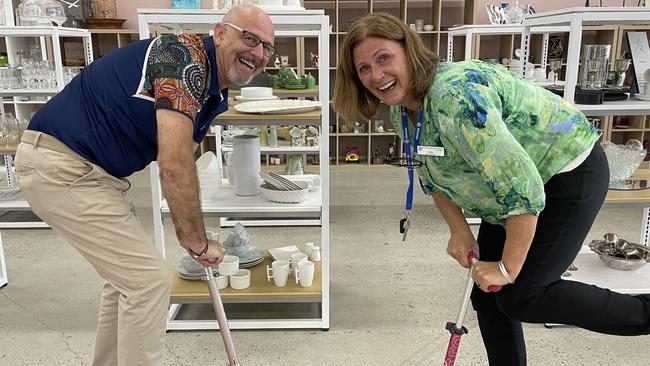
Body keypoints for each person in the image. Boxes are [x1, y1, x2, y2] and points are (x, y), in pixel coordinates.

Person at [333, 12, 650, 365]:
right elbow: (429, 170)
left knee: (524, 295)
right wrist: (459, 231)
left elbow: (523, 188)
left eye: (384, 58)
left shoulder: (456, 97)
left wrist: (507, 268)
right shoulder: (401, 111)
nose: (376, 76)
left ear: (410, 52)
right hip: (509, 195)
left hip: (566, 171)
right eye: (363, 68)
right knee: (487, 294)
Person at [13, 5, 275, 365]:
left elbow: (183, 159)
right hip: (63, 166)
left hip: (92, 174)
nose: (258, 53)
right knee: (148, 282)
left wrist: (194, 238)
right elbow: (174, 164)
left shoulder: (213, 90)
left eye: (267, 47)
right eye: (249, 38)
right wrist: (197, 241)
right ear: (220, 32)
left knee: (126, 283)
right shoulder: (182, 58)